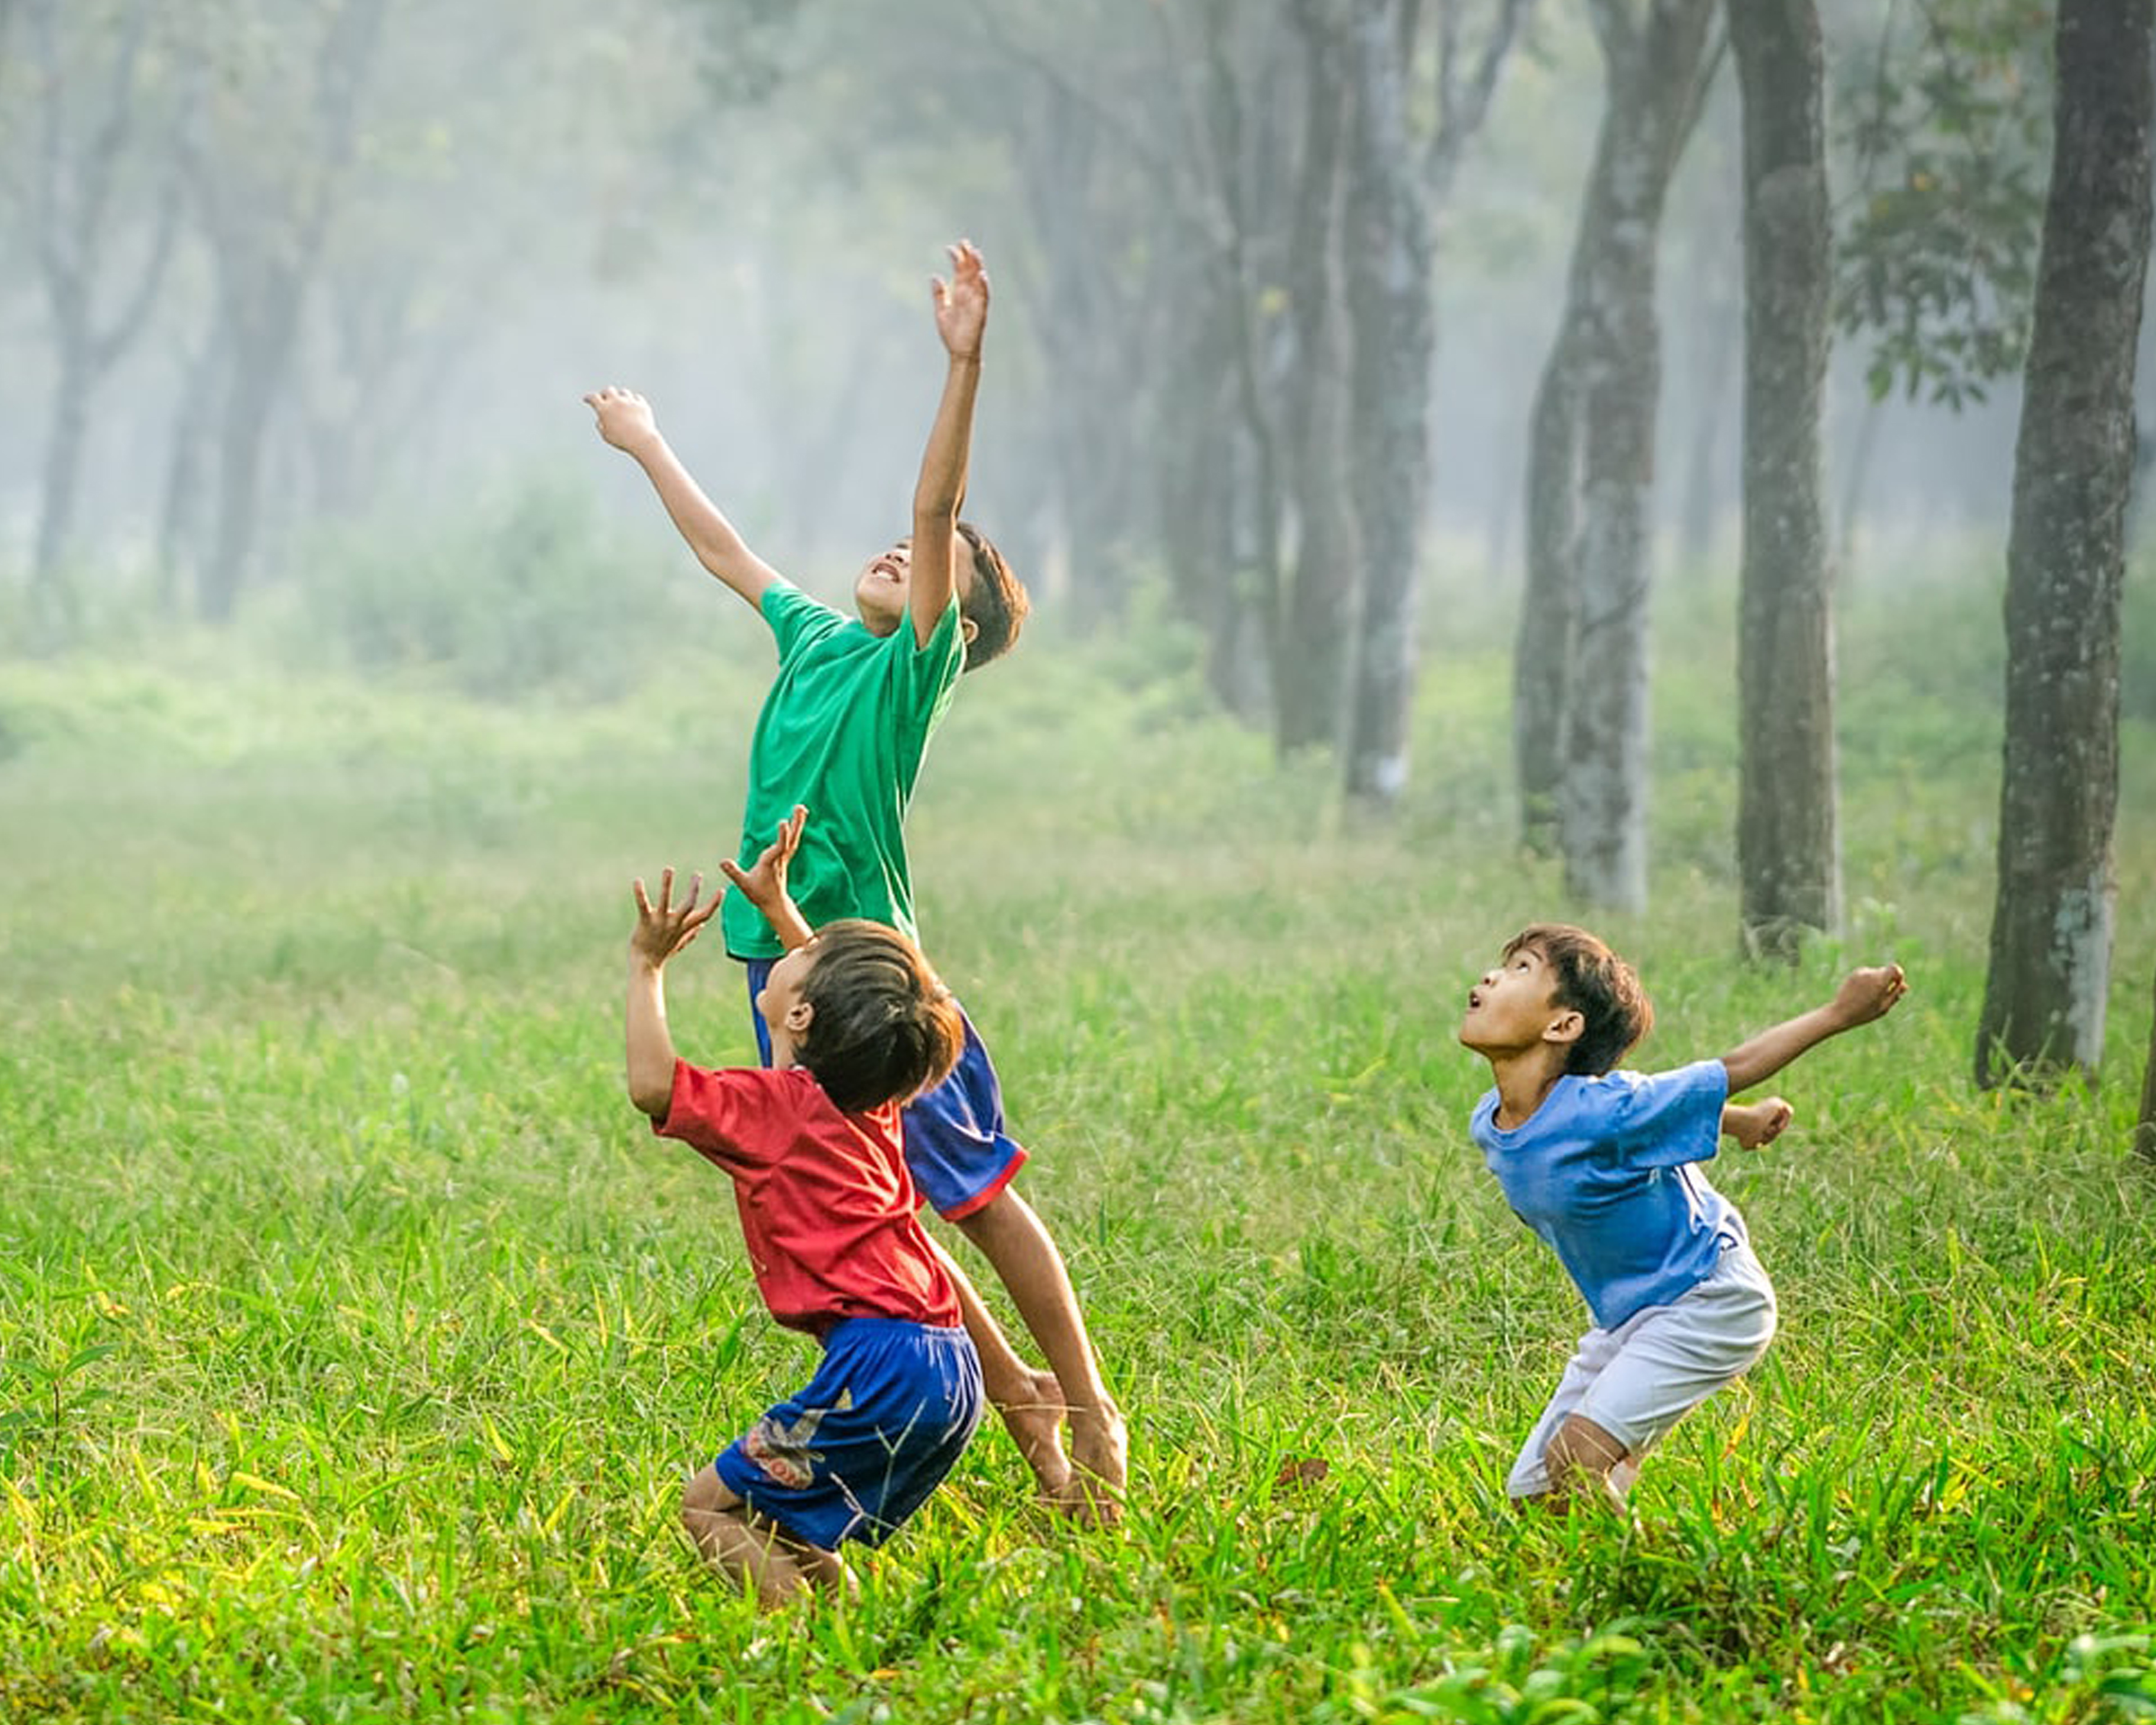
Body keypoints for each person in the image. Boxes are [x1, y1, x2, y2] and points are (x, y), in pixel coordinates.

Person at [586, 239, 1126, 1521]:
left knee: (977, 1195)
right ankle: (1031, 1433)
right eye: (891, 546)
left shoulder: (907, 673)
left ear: (961, 622)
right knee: (880, 1214)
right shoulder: (820, 636)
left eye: (939, 563)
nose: (903, 549)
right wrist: (648, 443)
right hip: (781, 968)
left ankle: (1087, 1408)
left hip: (871, 974)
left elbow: (937, 510)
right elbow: (725, 551)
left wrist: (963, 362)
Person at [625, 809, 981, 1607]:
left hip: (875, 1373)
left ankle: (806, 1654)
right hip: (947, 1367)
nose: (798, 946)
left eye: (805, 953)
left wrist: (646, 966)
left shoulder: (771, 1110)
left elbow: (652, 1084)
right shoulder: (870, 1097)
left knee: (707, 1505)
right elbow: (837, 1003)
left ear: (801, 1016)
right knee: (786, 1520)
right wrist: (785, 913)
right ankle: (852, 1632)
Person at [1457, 923, 1908, 1510]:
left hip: (1707, 1298)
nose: (1491, 975)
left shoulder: (1605, 1108)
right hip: (1627, 1318)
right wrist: (1740, 1120)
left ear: (1563, 1025)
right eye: (1501, 965)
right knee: (1537, 1495)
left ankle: (1662, 1588)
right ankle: (1586, 1578)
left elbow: (1731, 1066)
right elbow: (1648, 1122)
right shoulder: (1490, 1121)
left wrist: (1839, 1012)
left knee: (1575, 1462)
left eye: (1520, 968)